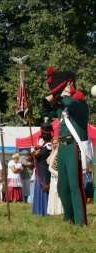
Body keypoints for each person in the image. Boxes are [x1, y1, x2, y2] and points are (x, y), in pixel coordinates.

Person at [39, 68, 89, 226]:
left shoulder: (80, 105)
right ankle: (69, 218)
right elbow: (43, 110)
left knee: (75, 186)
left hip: (74, 146)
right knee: (62, 186)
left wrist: (66, 89)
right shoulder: (63, 108)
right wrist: (51, 98)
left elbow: (68, 101)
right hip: (62, 147)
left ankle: (81, 221)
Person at [32, 122, 53, 216]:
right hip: (40, 169)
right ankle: (39, 210)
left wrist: (37, 149)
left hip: (44, 171)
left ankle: (44, 210)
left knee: (44, 189)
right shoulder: (44, 145)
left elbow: (39, 156)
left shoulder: (48, 145)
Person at [47, 137, 64, 215]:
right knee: (54, 193)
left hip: (59, 176)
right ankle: (54, 210)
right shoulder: (53, 152)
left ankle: (60, 210)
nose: (54, 145)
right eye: (53, 143)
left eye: (56, 143)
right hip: (53, 176)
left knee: (59, 193)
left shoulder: (61, 152)